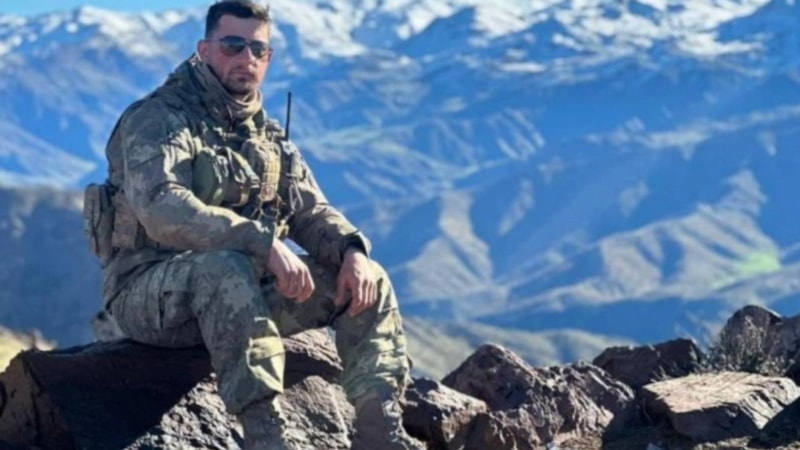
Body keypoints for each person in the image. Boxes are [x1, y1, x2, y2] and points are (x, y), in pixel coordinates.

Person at [85, 1, 422, 449]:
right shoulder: (158, 119)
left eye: (257, 49)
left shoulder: (266, 136)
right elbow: (162, 209)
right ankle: (267, 434)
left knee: (366, 279)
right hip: (149, 293)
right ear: (204, 50)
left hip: (242, 294)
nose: (246, 58)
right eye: (232, 45)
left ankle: (380, 432)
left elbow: (310, 211)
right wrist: (261, 242)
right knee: (223, 267)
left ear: (269, 58)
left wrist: (351, 251)